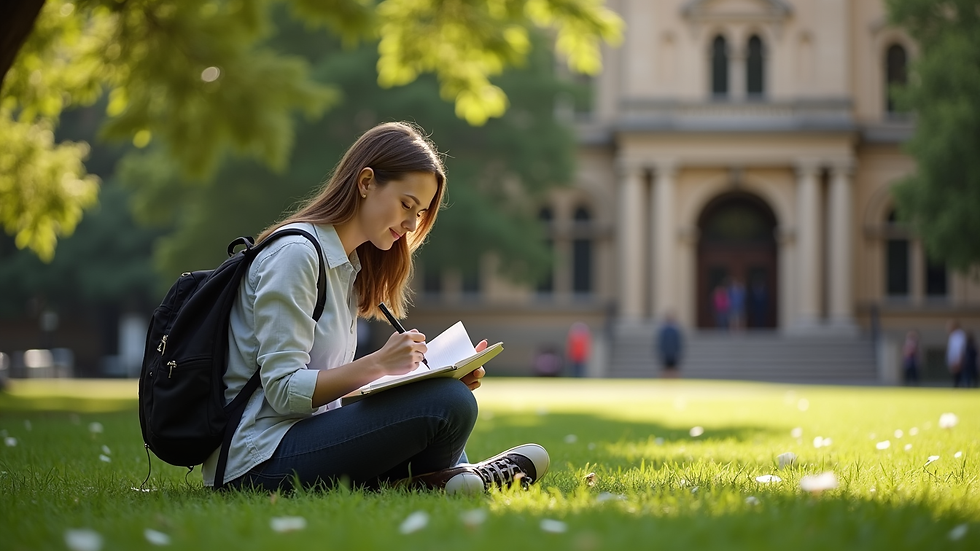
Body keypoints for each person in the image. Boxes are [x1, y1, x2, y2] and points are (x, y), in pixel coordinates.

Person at [204, 122, 549, 494]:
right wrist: (380, 363)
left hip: (301, 437)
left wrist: (425, 380)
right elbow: (284, 391)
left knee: (448, 398)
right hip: (256, 459)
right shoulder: (297, 255)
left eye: (420, 213)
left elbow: (326, 397)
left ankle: (446, 479)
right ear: (366, 182)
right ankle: (457, 476)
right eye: (407, 205)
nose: (412, 223)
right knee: (447, 404)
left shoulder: (346, 266)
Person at [656, 312, 683, 378]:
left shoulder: (675, 330)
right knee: (665, 369)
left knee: (674, 370)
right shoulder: (663, 330)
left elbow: (678, 343)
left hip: (673, 353)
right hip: (666, 353)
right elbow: (661, 342)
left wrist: (678, 352)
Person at [946, 320, 967, 387]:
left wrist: (958, 360)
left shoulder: (959, 335)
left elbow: (959, 349)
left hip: (957, 360)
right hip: (954, 360)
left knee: (959, 377)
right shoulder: (953, 335)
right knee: (956, 377)